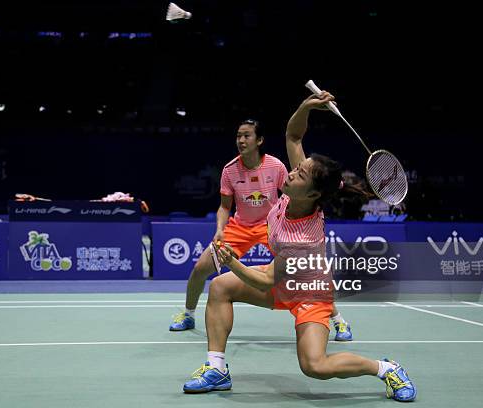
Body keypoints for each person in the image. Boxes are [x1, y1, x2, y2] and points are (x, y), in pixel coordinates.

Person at [181, 92, 416, 402]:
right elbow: (293, 135)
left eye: (300, 174)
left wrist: (231, 260)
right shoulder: (294, 194)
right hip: (282, 277)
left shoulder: (301, 238)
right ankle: (217, 369)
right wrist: (306, 106)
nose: (291, 173)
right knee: (221, 287)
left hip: (310, 292)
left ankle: (386, 369)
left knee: (315, 366)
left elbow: (266, 281)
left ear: (314, 194)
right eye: (298, 168)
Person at [169, 119, 354, 342]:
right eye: (238, 135)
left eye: (247, 135)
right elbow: (225, 206)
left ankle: (338, 318)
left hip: (272, 226)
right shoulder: (229, 170)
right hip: (241, 227)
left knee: (304, 273)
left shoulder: (276, 166)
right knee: (201, 268)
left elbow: (294, 196)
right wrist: (220, 229)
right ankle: (188, 314)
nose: (241, 140)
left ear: (260, 140)